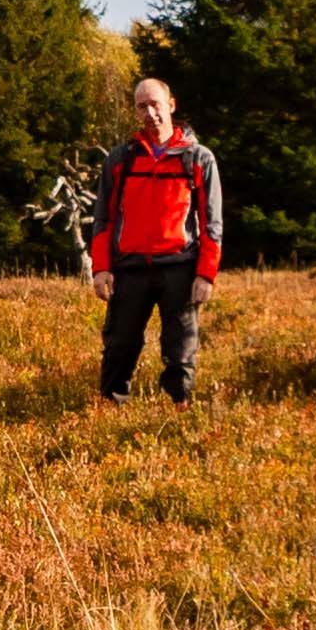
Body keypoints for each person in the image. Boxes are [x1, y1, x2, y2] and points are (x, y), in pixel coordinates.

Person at [81, 75, 221, 405]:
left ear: (171, 106)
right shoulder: (120, 159)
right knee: (119, 346)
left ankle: (177, 408)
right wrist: (101, 269)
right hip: (129, 269)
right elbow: (104, 219)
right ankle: (109, 408)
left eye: (155, 104)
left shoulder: (199, 159)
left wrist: (206, 274)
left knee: (180, 349)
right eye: (141, 106)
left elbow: (213, 223)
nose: (149, 113)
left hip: (180, 268)